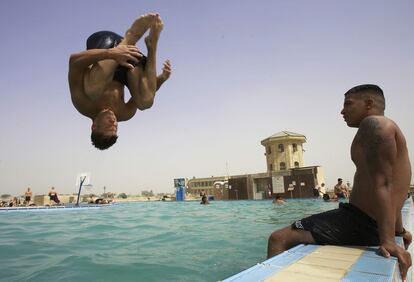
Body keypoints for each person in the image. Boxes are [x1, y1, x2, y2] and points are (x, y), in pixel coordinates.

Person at [267, 84, 412, 279]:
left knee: (278, 238)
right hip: (370, 221)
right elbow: (395, 183)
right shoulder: (383, 127)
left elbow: (384, 183)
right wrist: (398, 230)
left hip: (361, 222)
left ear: (369, 103)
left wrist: (387, 240)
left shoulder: (375, 125)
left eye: (348, 104)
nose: (342, 111)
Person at [68, 13, 172, 150]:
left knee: (92, 90)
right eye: (115, 128)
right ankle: (152, 44)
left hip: (106, 47)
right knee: (146, 102)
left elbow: (74, 62)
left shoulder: (82, 104)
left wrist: (111, 53)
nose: (114, 122)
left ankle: (132, 36)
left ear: (94, 126)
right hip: (127, 61)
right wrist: (162, 79)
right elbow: (146, 90)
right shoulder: (125, 113)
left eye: (108, 125)